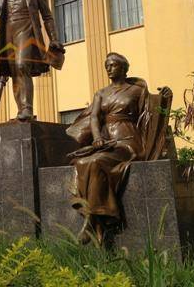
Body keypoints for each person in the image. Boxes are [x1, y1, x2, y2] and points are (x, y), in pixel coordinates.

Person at [66, 52, 172, 245]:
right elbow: (94, 118)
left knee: (97, 161)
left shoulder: (136, 91)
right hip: (106, 141)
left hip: (128, 141)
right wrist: (97, 138)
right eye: (107, 65)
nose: (109, 68)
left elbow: (152, 112)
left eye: (113, 65)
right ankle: (97, 217)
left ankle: (90, 220)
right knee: (82, 162)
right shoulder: (101, 93)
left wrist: (165, 98)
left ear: (124, 68)